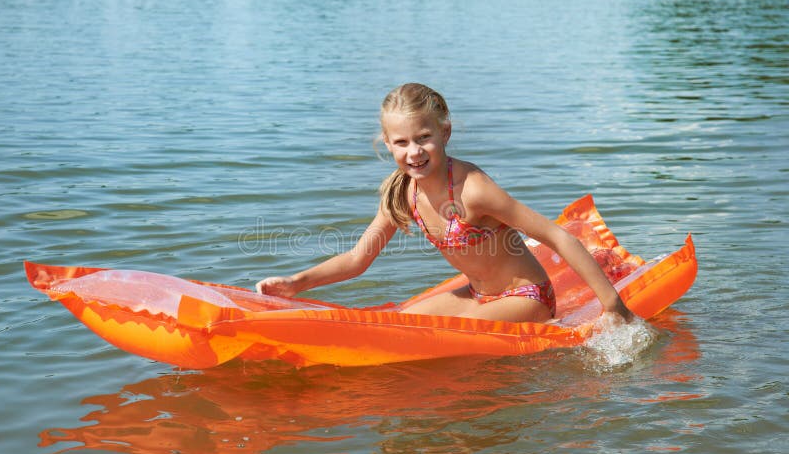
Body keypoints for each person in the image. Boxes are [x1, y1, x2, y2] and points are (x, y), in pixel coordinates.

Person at [256, 83, 635, 324]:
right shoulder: (402, 193)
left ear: (445, 132)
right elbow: (358, 259)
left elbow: (558, 236)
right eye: (401, 142)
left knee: (439, 337)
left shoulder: (473, 189)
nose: (414, 151)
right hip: (475, 294)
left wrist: (612, 305)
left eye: (424, 137)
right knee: (398, 323)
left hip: (525, 297)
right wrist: (296, 283)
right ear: (387, 144)